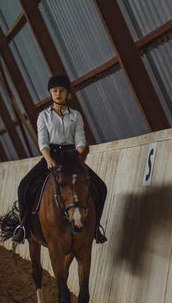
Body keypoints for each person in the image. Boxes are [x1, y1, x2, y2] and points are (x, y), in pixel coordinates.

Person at [12, 74, 107, 245]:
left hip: (72, 156)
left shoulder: (75, 115)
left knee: (101, 187)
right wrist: (48, 158)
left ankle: (95, 228)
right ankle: (23, 227)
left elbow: (80, 139)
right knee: (24, 186)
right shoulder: (44, 116)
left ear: (67, 93)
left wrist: (79, 157)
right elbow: (43, 141)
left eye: (62, 91)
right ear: (50, 93)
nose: (58, 94)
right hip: (52, 155)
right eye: (55, 91)